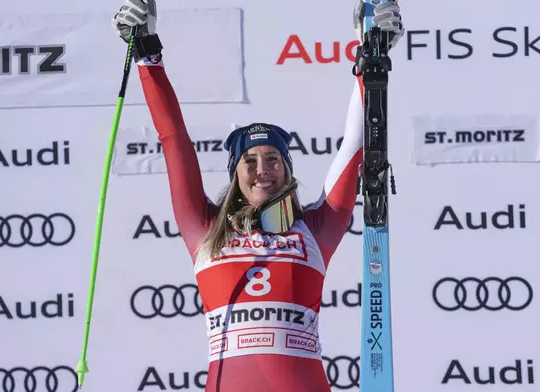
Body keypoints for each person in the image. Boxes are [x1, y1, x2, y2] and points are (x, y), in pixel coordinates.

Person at [113, 1, 404, 390]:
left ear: (286, 170)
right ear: (235, 173)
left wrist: (371, 57)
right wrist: (146, 53)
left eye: (272, 159)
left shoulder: (315, 230)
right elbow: (174, 140)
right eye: (249, 160)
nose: (261, 169)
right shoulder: (204, 230)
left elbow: (355, 144)